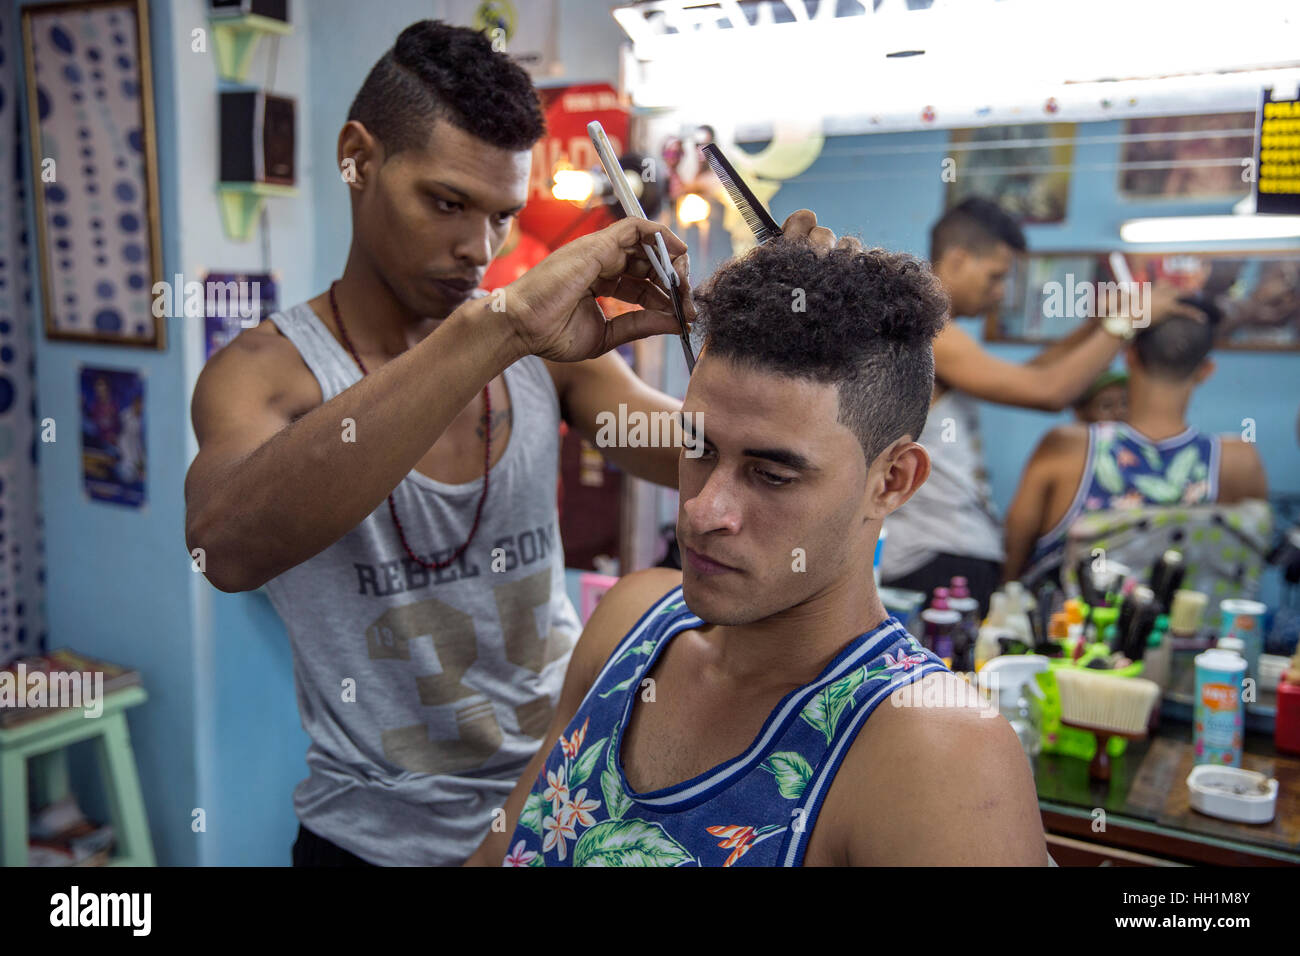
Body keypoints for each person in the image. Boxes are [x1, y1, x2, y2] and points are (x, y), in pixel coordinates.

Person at [185, 21, 697, 866]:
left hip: (554, 812)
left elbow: (700, 455)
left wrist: (780, 345)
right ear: (358, 158)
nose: (478, 249)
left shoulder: (541, 356)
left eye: (502, 215)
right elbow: (224, 551)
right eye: (447, 203)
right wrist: (493, 330)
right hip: (368, 845)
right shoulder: (266, 375)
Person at [466, 235, 1050, 867]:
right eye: (697, 448)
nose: (701, 511)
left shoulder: (935, 754)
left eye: (772, 476)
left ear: (892, 481)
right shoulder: (630, 625)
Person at [880, 199, 1202, 616]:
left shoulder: (946, 338)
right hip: (936, 555)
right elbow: (1047, 392)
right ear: (957, 259)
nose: (999, 293)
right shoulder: (932, 332)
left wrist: (1094, 327)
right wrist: (1125, 322)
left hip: (952, 551)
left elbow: (1028, 377)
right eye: (995, 277)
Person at [1004, 312, 1269, 585]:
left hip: (1065, 624)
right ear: (1205, 371)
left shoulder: (1065, 448)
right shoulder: (1238, 460)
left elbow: (1012, 562)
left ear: (1128, 356)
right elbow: (1245, 565)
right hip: (1192, 627)